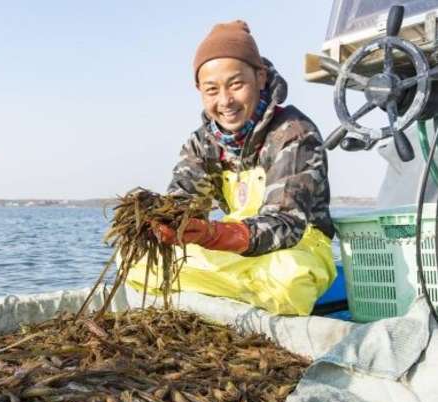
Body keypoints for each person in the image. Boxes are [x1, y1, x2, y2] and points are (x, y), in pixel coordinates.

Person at [126, 20, 336, 316]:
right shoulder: (202, 144)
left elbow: (286, 225)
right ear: (199, 90)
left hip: (298, 248)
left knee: (290, 281)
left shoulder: (293, 133)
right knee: (137, 265)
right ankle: (237, 296)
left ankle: (218, 296)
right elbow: (183, 201)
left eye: (236, 85)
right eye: (212, 89)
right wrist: (164, 221)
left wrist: (212, 235)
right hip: (235, 251)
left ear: (260, 78)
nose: (225, 101)